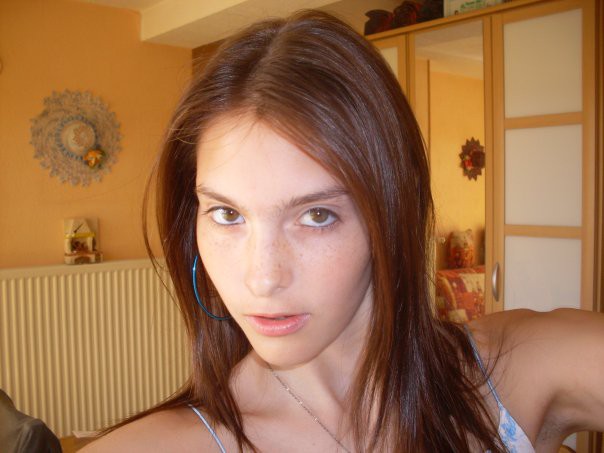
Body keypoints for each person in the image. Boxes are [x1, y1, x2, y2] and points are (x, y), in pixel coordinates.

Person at [83, 10, 604, 453]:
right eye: (227, 214)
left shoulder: (515, 372)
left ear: (390, 216)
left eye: (316, 215)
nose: (262, 278)